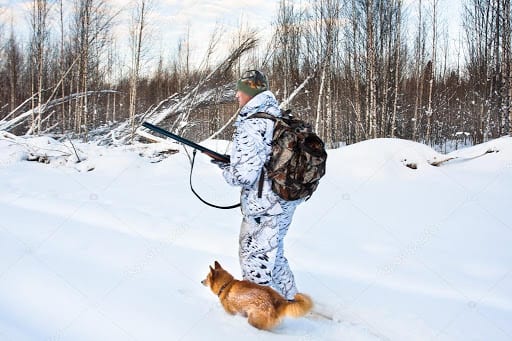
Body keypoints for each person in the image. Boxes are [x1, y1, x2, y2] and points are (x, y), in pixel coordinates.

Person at [213, 70, 303, 300]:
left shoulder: (252, 124)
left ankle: (260, 315)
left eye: (240, 91)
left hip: (264, 205)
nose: (236, 96)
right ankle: (290, 301)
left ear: (250, 93)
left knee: (255, 258)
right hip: (285, 198)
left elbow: (244, 176)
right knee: (275, 252)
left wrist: (226, 170)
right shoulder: (277, 116)